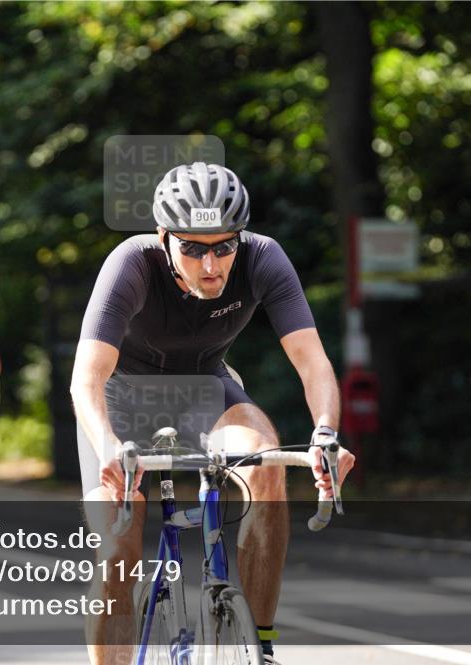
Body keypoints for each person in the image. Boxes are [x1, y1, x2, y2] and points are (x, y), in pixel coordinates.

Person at [70, 162, 356, 665]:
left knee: (265, 465)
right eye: (193, 248)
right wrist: (108, 446)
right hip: (120, 403)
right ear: (163, 238)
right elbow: (86, 378)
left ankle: (259, 644)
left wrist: (325, 433)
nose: (211, 264)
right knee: (117, 551)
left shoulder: (263, 258)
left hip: (206, 391)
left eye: (224, 247)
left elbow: (312, 361)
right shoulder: (130, 264)